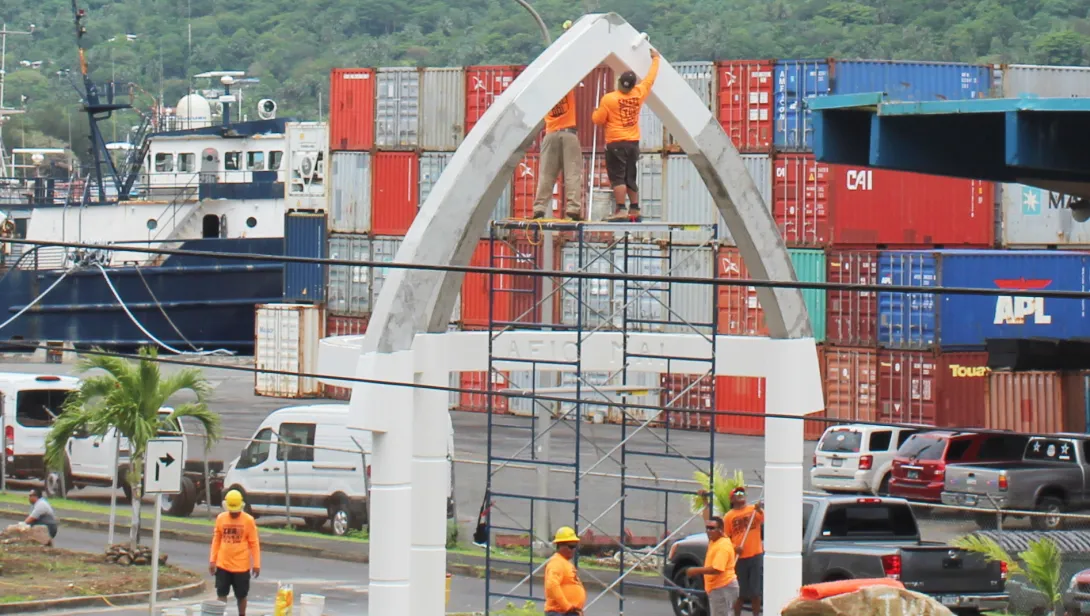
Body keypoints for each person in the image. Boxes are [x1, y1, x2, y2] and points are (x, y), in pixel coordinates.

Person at [591, 47, 661, 222]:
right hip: (633, 142)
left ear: (620, 83)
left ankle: (621, 209)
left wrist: (595, 111)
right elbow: (650, 79)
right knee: (631, 175)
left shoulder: (609, 99)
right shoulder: (639, 93)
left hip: (615, 142)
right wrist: (656, 59)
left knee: (618, 177)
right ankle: (635, 208)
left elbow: (598, 120)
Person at [532, 88, 584, 222]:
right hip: (569, 134)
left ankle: (539, 207)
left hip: (550, 134)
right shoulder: (568, 87)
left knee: (546, 174)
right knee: (572, 173)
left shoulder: (543, 93)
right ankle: (573, 208)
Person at [209, 489, 261, 616]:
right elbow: (216, 540)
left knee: (241, 596)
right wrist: (212, 560)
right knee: (221, 594)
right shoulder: (221, 518)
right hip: (223, 565)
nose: (233, 513)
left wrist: (256, 564)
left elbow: (254, 543)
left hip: (241, 567)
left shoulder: (248, 520)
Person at [686, 514, 738, 616]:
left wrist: (695, 570)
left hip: (723, 587)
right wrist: (705, 502)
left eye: (712, 528)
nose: (708, 531)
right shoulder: (715, 540)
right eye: (707, 528)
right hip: (717, 588)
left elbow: (717, 569)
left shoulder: (722, 546)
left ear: (720, 530)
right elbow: (706, 518)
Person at [723, 487, 765, 616]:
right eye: (737, 494)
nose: (741, 495)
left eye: (742, 493)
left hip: (755, 555)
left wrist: (759, 510)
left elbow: (764, 519)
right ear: (732, 499)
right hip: (740, 558)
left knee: (755, 592)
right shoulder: (729, 517)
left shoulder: (753, 510)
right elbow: (725, 539)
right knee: (739, 593)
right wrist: (734, 548)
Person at [544, 526, 585, 616]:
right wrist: (567, 606)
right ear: (560, 545)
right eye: (571, 546)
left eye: (575, 546)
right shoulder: (556, 563)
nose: (574, 550)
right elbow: (552, 585)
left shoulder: (564, 562)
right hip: (560, 612)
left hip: (568, 611)